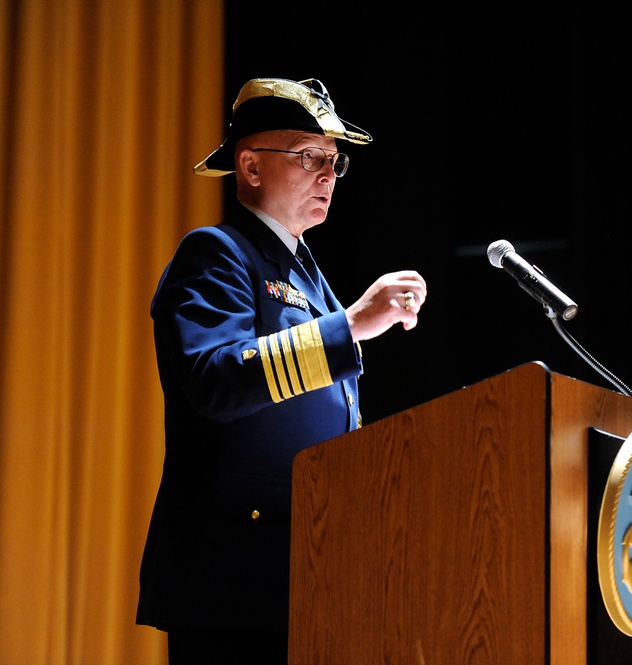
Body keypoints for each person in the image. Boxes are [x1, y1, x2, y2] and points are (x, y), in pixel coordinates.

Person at [136, 77, 428, 664]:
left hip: (308, 569)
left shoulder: (306, 274)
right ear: (249, 167)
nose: (327, 174)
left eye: (333, 161)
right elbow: (215, 381)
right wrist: (347, 327)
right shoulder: (218, 253)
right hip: (232, 575)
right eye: (308, 156)